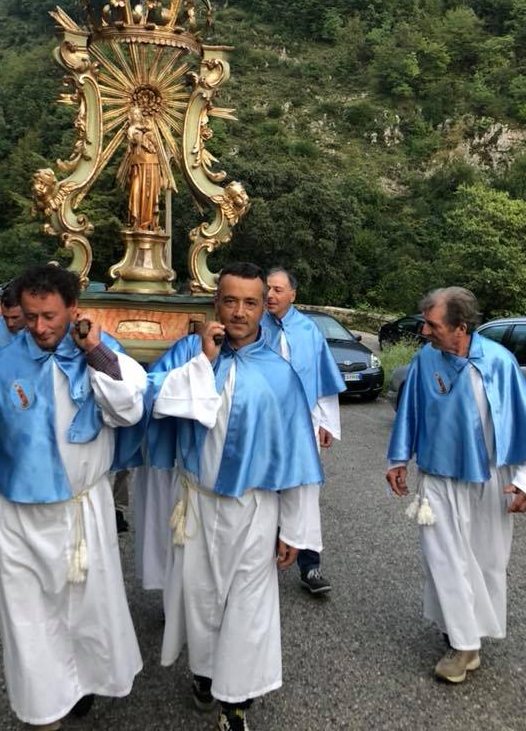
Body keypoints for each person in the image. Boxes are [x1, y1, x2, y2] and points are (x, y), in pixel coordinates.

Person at [0, 264, 147, 730]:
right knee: (29, 619)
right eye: (30, 316)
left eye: (49, 316)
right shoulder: (7, 363)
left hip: (81, 512)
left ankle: (83, 683)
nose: (39, 327)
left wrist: (94, 352)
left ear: (73, 308)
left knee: (87, 612)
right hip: (19, 517)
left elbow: (128, 410)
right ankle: (44, 710)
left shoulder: (101, 352)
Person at [146, 262, 323, 731]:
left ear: (264, 306)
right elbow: (151, 399)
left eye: (250, 302)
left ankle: (235, 703)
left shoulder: (280, 375)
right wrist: (203, 363)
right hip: (197, 502)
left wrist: (295, 530)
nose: (239, 312)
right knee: (201, 597)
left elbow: (297, 458)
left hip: (253, 507)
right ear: (216, 303)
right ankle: (206, 673)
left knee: (248, 605)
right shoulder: (190, 352)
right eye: (230, 301)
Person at [386, 287, 526, 684]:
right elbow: (410, 413)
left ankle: (469, 634)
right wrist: (397, 460)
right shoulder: (425, 360)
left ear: (460, 328)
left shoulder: (498, 363)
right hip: (437, 480)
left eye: (432, 325)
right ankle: (463, 645)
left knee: (485, 561)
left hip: (489, 481)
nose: (424, 332)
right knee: (442, 559)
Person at [261, 267, 345, 595]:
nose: (270, 295)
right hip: (265, 422)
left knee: (305, 494)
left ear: (293, 295)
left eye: (278, 289)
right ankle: (260, 559)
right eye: (267, 289)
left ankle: (310, 566)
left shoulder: (309, 330)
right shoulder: (255, 326)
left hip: (303, 423)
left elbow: (322, 378)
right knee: (264, 489)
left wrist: (327, 422)